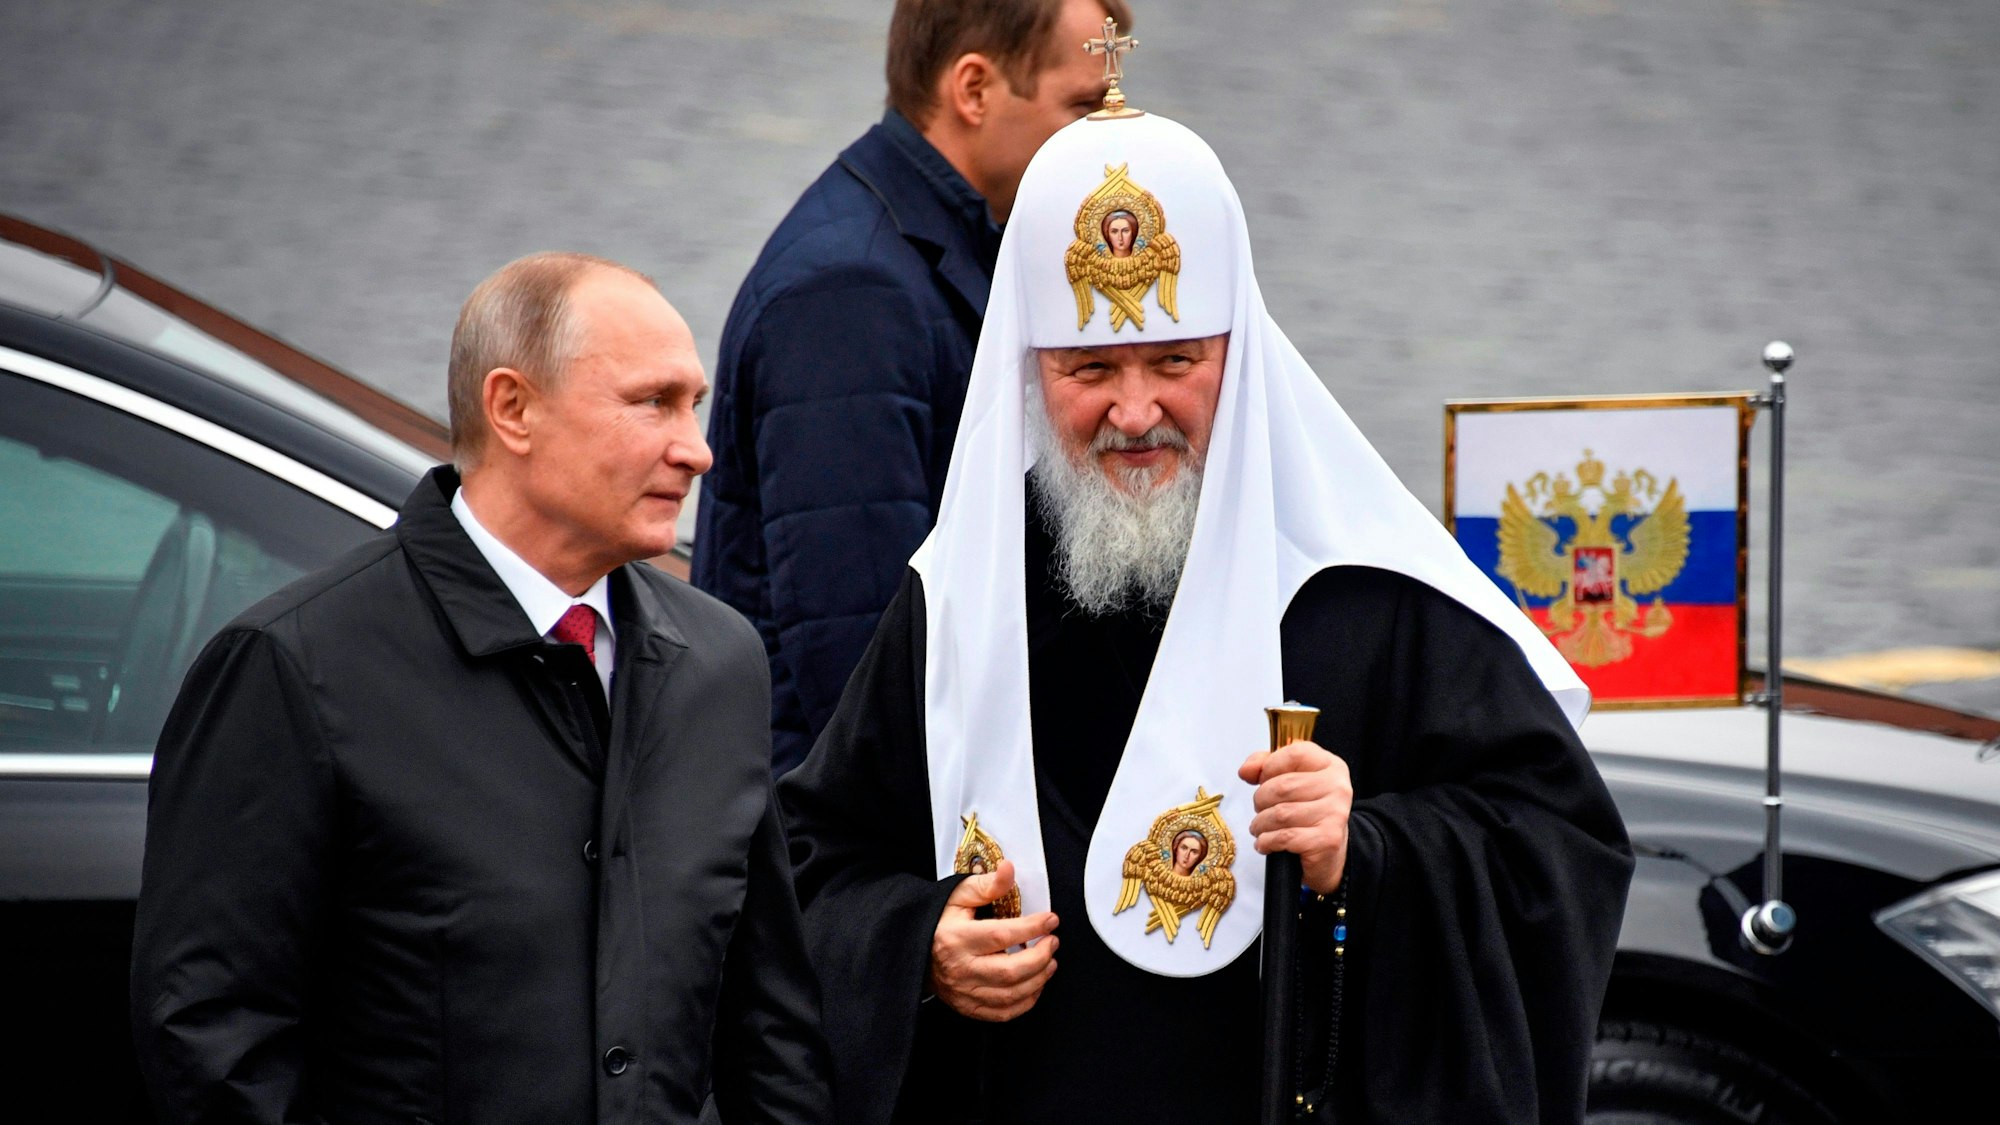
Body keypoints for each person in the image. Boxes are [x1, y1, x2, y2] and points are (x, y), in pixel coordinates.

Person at [778, 101, 1634, 1124]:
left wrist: (1362, 849)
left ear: (1239, 350)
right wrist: (920, 946)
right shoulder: (957, 600)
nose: (1133, 414)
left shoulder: (1361, 592)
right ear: (1026, 371)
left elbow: (1558, 847)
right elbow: (811, 862)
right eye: (1088, 370)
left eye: (1174, 363)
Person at [130, 253, 830, 1124]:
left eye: (694, 404)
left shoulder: (721, 662)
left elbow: (771, 1032)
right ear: (513, 408)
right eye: (653, 402)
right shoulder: (293, 667)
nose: (696, 449)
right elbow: (212, 1042)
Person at [693, 0, 1131, 774]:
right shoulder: (850, 294)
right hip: (834, 858)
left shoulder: (946, 247)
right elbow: (864, 659)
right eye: (1083, 107)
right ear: (974, 89)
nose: (1111, 141)